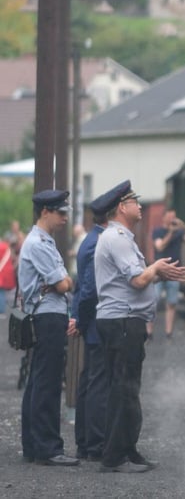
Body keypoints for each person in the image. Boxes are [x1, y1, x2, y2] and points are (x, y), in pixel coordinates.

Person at [94, 180, 185, 473]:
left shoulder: (123, 237)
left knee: (126, 387)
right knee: (124, 389)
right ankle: (114, 457)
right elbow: (137, 280)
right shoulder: (118, 238)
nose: (140, 206)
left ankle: (127, 448)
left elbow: (139, 277)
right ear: (122, 207)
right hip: (123, 321)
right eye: (135, 201)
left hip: (125, 321)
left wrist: (158, 274)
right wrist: (155, 269)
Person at [18, 189, 78, 466]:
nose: (65, 217)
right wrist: (62, 280)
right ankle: (48, 448)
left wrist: (62, 281)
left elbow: (64, 282)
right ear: (45, 212)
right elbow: (64, 283)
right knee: (48, 383)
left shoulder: (44, 241)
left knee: (39, 381)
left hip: (46, 314)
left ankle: (34, 445)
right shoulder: (40, 244)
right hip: (47, 315)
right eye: (60, 212)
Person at [68, 199, 110, 462]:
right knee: (97, 384)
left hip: (90, 320)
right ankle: (94, 444)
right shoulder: (97, 243)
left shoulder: (91, 239)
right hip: (96, 321)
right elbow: (88, 290)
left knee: (88, 382)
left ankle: (85, 442)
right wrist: (82, 321)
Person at [152, 209, 185, 338]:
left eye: (174, 217)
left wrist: (183, 226)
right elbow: (160, 246)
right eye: (169, 217)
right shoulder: (158, 231)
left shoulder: (179, 232)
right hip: (158, 272)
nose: (172, 220)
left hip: (175, 271)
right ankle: (148, 332)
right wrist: (170, 232)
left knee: (172, 302)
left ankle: (169, 332)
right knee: (153, 301)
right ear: (163, 218)